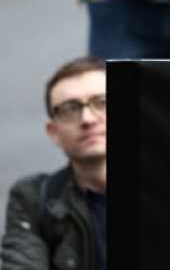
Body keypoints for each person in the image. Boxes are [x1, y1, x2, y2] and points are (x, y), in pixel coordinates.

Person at [1, 57, 107, 270]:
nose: (87, 119)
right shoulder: (32, 198)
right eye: (70, 109)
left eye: (102, 103)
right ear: (53, 132)